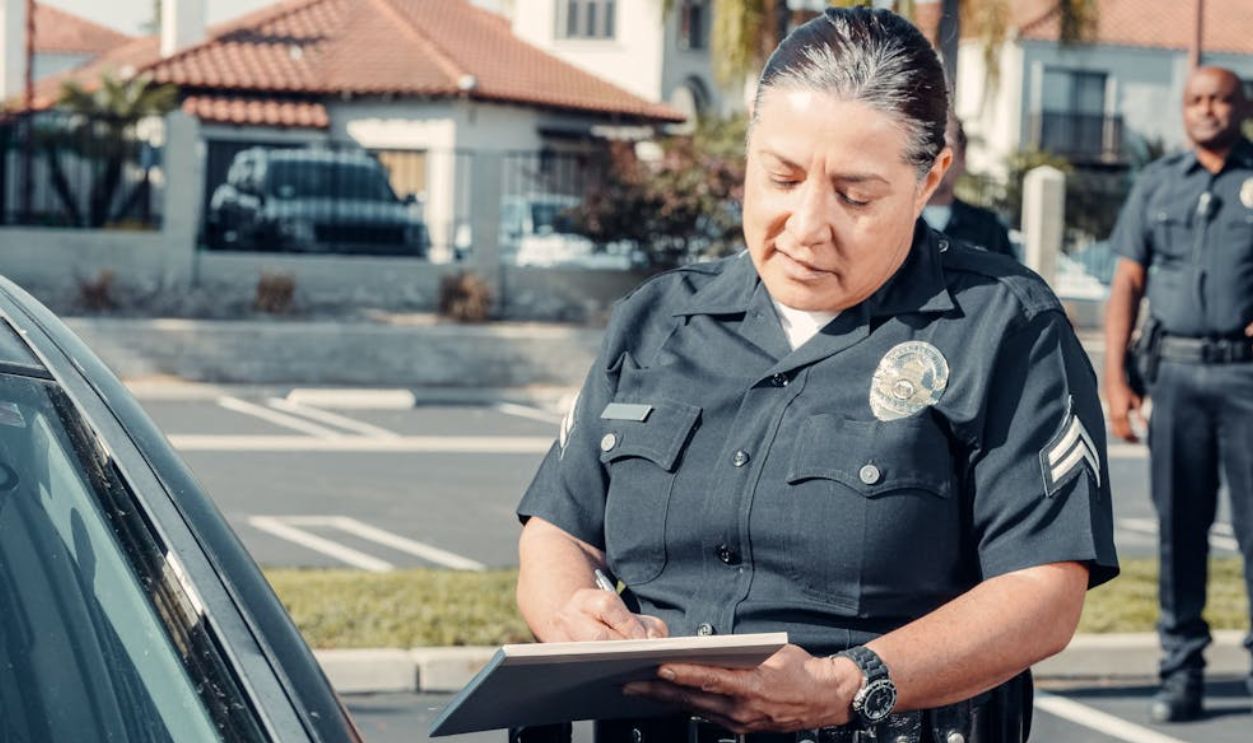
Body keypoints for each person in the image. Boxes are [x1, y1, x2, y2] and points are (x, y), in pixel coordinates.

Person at [515, 8, 1118, 742]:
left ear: (929, 179)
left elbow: (1043, 589)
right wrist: (570, 613)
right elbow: (559, 530)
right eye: (781, 176)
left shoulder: (1002, 329)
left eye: (854, 196)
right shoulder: (658, 319)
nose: (805, 224)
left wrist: (845, 683)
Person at [1104, 65, 1253, 724]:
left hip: (1247, 377)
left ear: (1241, 105)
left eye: (1219, 98)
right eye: (1195, 99)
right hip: (1176, 379)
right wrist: (1114, 381)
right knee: (1178, 534)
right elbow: (1126, 283)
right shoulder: (1158, 181)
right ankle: (1180, 670)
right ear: (1182, 108)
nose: (1207, 109)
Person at [922, 115, 1015, 258]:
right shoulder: (889, 223)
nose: (935, 158)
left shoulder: (990, 230)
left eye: (944, 147)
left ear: (962, 158)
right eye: (928, 145)